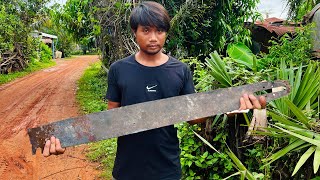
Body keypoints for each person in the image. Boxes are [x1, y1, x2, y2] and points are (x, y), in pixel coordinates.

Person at [43, 1, 266, 180]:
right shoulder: (118, 70)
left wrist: (228, 106)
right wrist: (66, 138)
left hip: (167, 167)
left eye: (159, 31)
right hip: (127, 168)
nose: (153, 38)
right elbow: (110, 119)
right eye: (146, 30)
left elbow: (193, 117)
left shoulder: (180, 70)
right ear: (134, 32)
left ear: (166, 33)